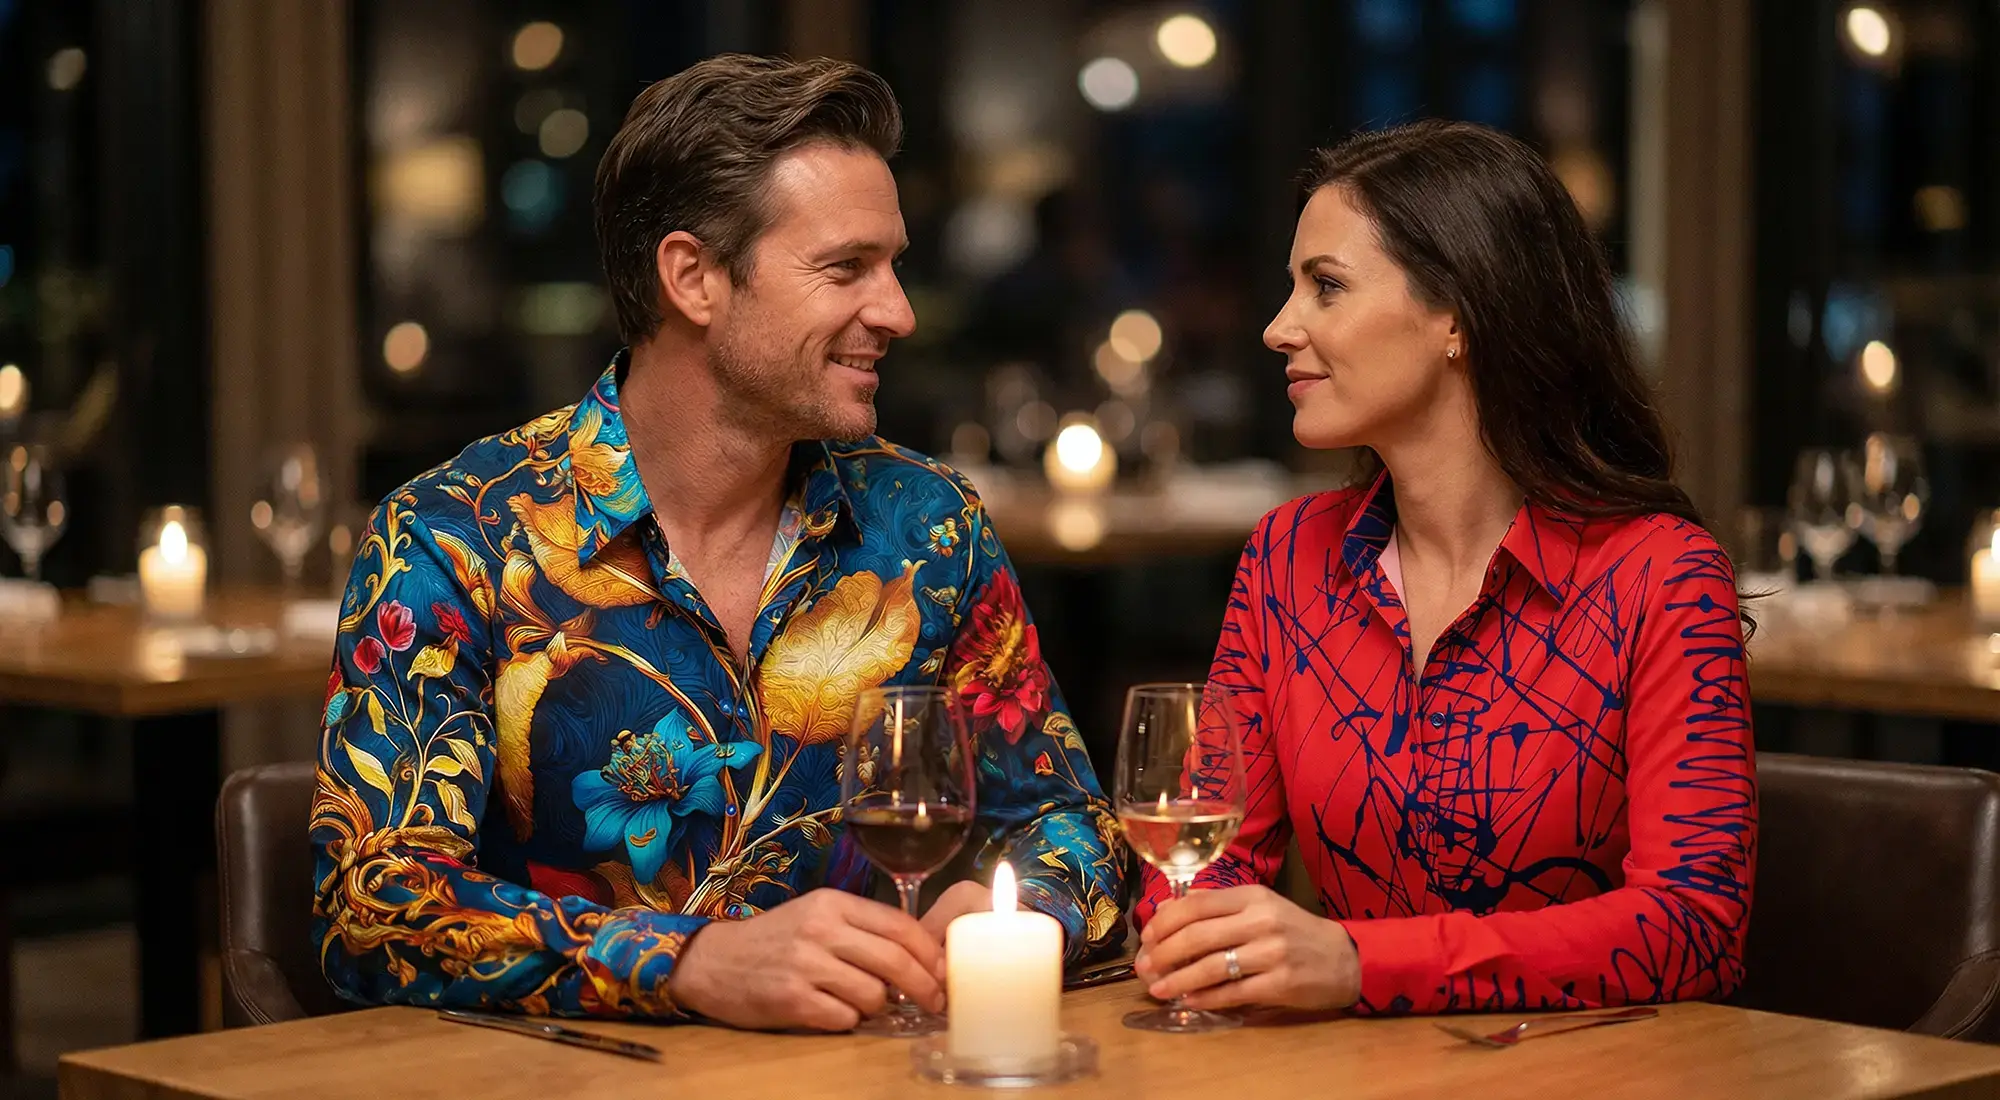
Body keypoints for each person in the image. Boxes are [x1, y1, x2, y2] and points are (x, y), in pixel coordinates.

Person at [311, 54, 1122, 1032]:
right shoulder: (450, 538)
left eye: (894, 263)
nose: (897, 311)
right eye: (845, 267)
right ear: (691, 277)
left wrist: (1017, 911)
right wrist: (686, 961)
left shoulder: (927, 525)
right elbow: (371, 904)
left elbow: (1070, 822)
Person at [1132, 120, 1755, 1016]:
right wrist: (1198, 939)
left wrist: (1360, 964)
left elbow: (1695, 929)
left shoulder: (1662, 574)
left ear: (1458, 313)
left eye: (1328, 288)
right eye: (1290, 288)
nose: (1278, 328)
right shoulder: (1286, 558)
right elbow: (1205, 853)